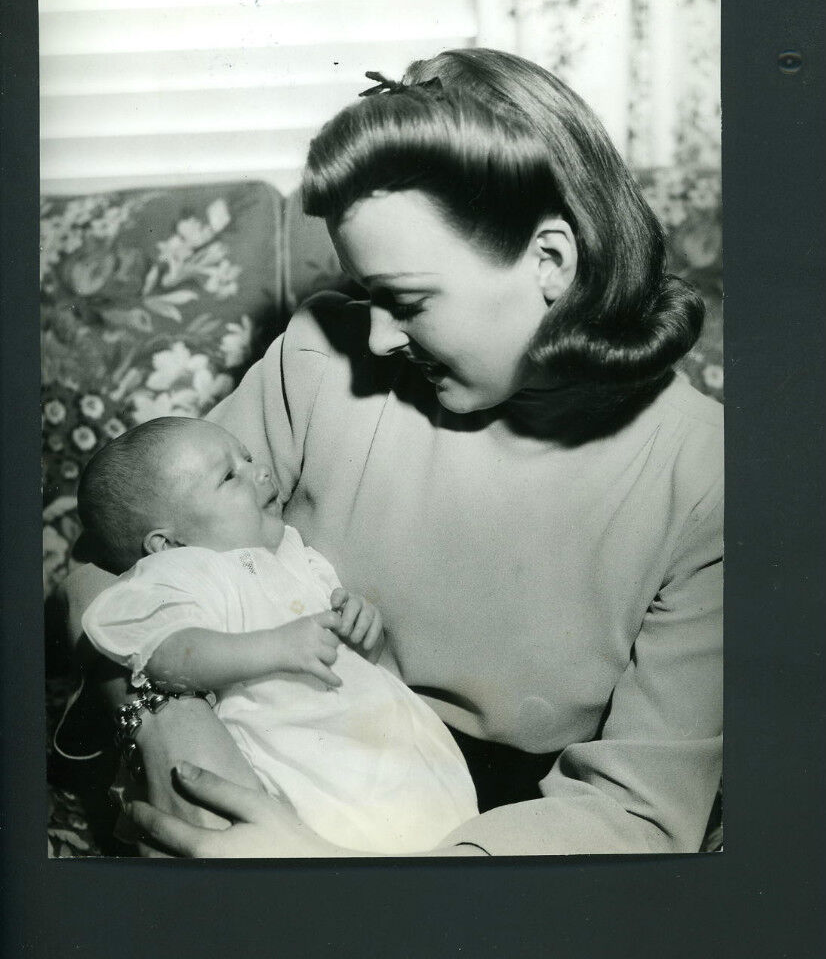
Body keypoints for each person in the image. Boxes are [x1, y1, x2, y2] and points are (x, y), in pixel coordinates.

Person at [65, 47, 723, 857]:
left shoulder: (708, 480)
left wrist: (344, 884)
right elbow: (108, 558)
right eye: (367, 295)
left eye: (405, 299)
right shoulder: (318, 359)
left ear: (550, 261)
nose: (374, 334)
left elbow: (638, 814)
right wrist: (169, 722)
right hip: (258, 764)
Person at [76, 416, 479, 854]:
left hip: (402, 755)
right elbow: (165, 655)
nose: (261, 472)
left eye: (248, 458)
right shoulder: (186, 573)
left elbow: (357, 661)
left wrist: (363, 633)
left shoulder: (294, 554)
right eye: (230, 475)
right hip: (310, 769)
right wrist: (274, 647)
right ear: (167, 545)